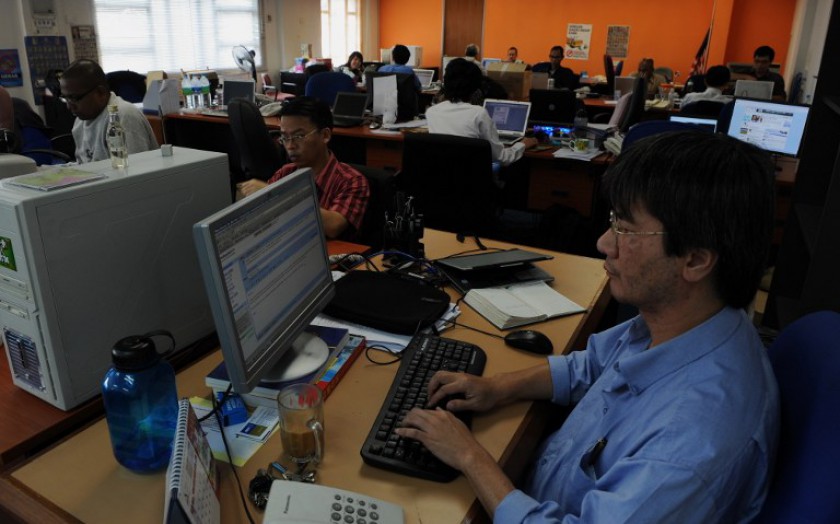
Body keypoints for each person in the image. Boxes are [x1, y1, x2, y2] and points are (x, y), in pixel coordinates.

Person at [396, 130, 780, 523]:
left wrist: (470, 456)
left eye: (627, 230)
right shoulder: (687, 319)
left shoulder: (685, 447)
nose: (603, 242)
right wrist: (498, 387)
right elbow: (592, 366)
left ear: (696, 261)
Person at [236, 97, 369, 240]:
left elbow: (333, 226)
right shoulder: (285, 173)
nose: (290, 146)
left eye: (298, 136)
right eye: (285, 137)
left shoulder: (352, 181)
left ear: (325, 135)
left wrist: (272, 195)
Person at [426, 58, 537, 172]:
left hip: (441, 181)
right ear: (476, 88)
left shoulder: (432, 112)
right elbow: (502, 158)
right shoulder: (478, 114)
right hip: (472, 182)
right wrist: (522, 145)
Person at [59, 59, 158, 164]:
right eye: (65, 98)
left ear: (100, 93)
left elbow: (136, 172)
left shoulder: (124, 117)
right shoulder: (80, 121)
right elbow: (82, 165)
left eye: (74, 98)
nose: (69, 106)